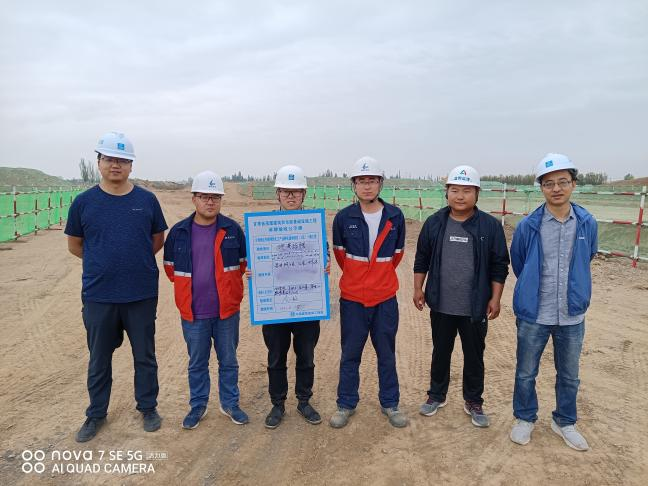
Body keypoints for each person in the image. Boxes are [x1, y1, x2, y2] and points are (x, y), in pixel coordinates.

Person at [65, 131, 167, 442]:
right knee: (99, 358)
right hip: (99, 295)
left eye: (123, 160)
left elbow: (157, 239)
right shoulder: (84, 203)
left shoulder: (147, 201)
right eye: (109, 159)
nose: (116, 165)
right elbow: (75, 245)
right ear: (99, 162)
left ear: (131, 165)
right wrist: (103, 262)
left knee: (145, 356)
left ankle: (148, 407)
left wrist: (133, 261)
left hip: (140, 294)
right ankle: (96, 413)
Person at [509, 153, 597, 451]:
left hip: (571, 315)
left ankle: (565, 421)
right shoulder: (528, 225)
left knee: (569, 375)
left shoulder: (586, 223)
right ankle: (524, 418)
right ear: (541, 188)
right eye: (549, 183)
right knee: (525, 372)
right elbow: (520, 263)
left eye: (562, 182)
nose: (556, 188)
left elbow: (588, 256)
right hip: (534, 313)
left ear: (573, 184)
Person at [413, 166, 509, 427]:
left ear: (477, 194)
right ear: (447, 193)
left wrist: (495, 298)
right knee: (440, 351)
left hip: (474, 307)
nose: (460, 196)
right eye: (454, 190)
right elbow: (422, 258)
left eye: (467, 190)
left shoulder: (489, 226)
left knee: (474, 355)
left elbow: (500, 265)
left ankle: (474, 400)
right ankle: (436, 395)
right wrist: (418, 288)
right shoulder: (435, 223)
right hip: (441, 304)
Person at [246, 165, 330, 429]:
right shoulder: (263, 227)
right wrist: (252, 270)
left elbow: (324, 253)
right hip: (276, 307)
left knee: (306, 355)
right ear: (278, 194)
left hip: (306, 304)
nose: (291, 196)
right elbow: (254, 258)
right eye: (285, 191)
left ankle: (304, 400)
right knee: (276, 356)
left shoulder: (314, 224)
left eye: (296, 192)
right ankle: (278, 403)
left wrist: (325, 264)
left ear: (304, 194)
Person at [163, 171, 248, 429]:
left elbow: (242, 265)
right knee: (197, 363)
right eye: (204, 196)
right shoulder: (178, 232)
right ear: (194, 199)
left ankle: (230, 403)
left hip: (226, 312)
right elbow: (171, 269)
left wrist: (228, 290)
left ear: (221, 199)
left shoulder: (232, 230)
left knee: (229, 361)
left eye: (215, 197)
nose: (210, 202)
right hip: (194, 312)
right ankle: (198, 405)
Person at [329, 156, 407, 428]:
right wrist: (359, 278)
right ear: (354, 185)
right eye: (361, 181)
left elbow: (396, 255)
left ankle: (390, 403)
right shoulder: (343, 218)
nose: (366, 186)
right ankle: (346, 404)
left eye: (372, 180)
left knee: (386, 353)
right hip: (353, 299)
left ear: (380, 183)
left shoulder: (395, 216)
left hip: (385, 298)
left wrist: (377, 278)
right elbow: (341, 255)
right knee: (350, 354)